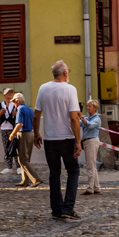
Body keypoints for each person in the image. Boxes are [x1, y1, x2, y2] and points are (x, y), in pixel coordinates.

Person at [33, 60, 82, 220]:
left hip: (50, 138)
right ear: (65, 73)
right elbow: (74, 118)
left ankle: (56, 210)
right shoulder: (70, 89)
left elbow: (36, 115)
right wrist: (78, 141)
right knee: (73, 171)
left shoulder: (43, 88)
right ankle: (68, 207)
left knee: (54, 173)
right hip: (66, 137)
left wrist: (36, 134)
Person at [10, 93, 41, 188]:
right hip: (30, 134)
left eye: (14, 102)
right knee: (26, 159)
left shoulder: (20, 109)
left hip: (23, 134)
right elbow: (34, 121)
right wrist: (36, 134)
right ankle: (25, 180)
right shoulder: (29, 109)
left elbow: (19, 124)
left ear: (17, 101)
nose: (13, 104)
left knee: (22, 159)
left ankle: (36, 179)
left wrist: (12, 134)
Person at [80, 99, 103, 196]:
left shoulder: (96, 119)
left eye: (90, 106)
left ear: (95, 108)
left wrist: (81, 117)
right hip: (87, 141)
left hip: (92, 141)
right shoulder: (87, 118)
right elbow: (79, 123)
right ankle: (97, 187)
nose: (88, 108)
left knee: (90, 166)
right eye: (87, 106)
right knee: (92, 165)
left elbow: (89, 126)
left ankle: (90, 188)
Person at [0, 89, 18, 174]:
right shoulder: (1, 105)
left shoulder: (15, 104)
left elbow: (20, 115)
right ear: (4, 95)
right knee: (7, 148)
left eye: (11, 92)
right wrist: (0, 113)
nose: (10, 94)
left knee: (16, 147)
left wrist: (16, 114)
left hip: (13, 129)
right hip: (4, 129)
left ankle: (19, 167)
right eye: (8, 93)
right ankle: (9, 167)